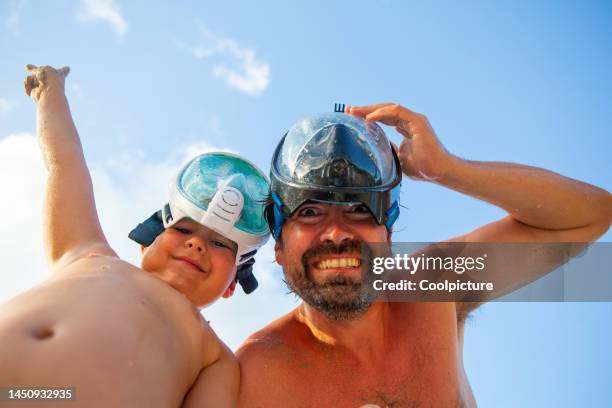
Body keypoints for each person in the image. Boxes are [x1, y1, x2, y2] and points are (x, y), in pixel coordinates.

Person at [236, 105, 611, 407]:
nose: (336, 233)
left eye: (359, 210)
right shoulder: (256, 375)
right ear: (279, 246)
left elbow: (587, 218)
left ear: (388, 232)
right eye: (311, 213)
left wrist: (447, 170)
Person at [0, 65, 270, 407]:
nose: (197, 243)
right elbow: (65, 165)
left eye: (219, 244)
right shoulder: (88, 253)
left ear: (232, 283)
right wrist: (50, 94)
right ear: (147, 241)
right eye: (184, 229)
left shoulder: (214, 358)